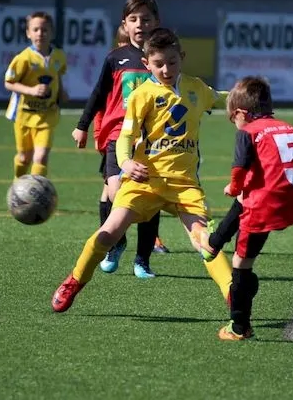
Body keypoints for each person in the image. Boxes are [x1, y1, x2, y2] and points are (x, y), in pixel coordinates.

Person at [51, 27, 234, 312]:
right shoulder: (142, 95)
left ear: (182, 57)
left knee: (204, 240)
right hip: (145, 181)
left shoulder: (196, 88)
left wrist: (247, 98)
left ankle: (234, 295)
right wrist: (125, 162)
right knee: (108, 232)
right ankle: (74, 280)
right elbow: (126, 136)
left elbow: (224, 99)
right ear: (147, 63)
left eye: (172, 62)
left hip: (184, 184)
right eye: (159, 64)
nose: (166, 69)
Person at [204, 76, 293, 341]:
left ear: (241, 113)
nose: (234, 124)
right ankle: (214, 243)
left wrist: (233, 187)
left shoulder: (248, 132)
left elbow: (239, 168)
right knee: (248, 195)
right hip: (292, 204)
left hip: (264, 206)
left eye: (233, 119)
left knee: (240, 263)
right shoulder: (292, 129)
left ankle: (239, 327)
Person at [71, 0, 168, 280]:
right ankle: (118, 242)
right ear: (124, 24)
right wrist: (83, 125)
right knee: (115, 192)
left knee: (150, 199)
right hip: (119, 136)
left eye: (146, 19)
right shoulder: (116, 58)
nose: (140, 24)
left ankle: (143, 260)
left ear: (156, 22)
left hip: (152, 140)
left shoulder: (161, 59)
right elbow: (99, 93)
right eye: (133, 19)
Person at [4, 11, 68, 178]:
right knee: (24, 158)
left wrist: (61, 92)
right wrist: (31, 90)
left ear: (52, 33)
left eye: (45, 30)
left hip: (47, 115)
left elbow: (58, 76)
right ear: (28, 33)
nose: (40, 33)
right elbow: (9, 83)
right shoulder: (23, 58)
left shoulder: (59, 56)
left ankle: (35, 192)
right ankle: (19, 184)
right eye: (36, 29)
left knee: (40, 157)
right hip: (24, 115)